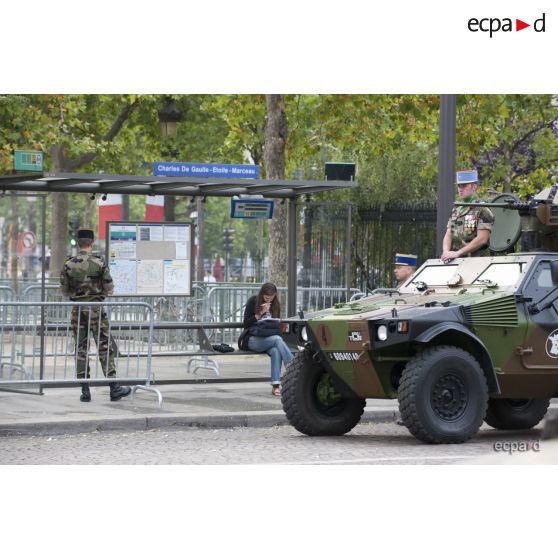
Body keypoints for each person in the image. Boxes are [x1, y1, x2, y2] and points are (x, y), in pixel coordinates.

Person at [59, 228, 131, 403]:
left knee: (81, 348)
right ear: (91, 243)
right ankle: (114, 388)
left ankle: (85, 391)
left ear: (78, 242)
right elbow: (110, 288)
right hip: (96, 310)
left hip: (77, 310)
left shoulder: (68, 264)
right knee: (104, 346)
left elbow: (65, 290)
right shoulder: (99, 263)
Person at [241, 282, 293, 396]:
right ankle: (292, 366)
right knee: (277, 340)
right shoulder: (253, 301)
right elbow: (246, 324)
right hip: (252, 339)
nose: (269, 300)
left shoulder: (275, 305)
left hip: (269, 339)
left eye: (272, 297)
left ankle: (275, 386)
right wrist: (260, 313)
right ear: (262, 294)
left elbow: (276, 327)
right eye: (266, 297)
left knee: (276, 350)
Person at [441, 169, 494, 264]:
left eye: (464, 186)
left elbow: (482, 239)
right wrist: (446, 252)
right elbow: (448, 234)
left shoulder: (482, 209)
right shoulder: (456, 209)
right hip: (456, 261)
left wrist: (458, 253)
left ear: (474, 187)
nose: (460, 189)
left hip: (477, 262)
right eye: (459, 186)